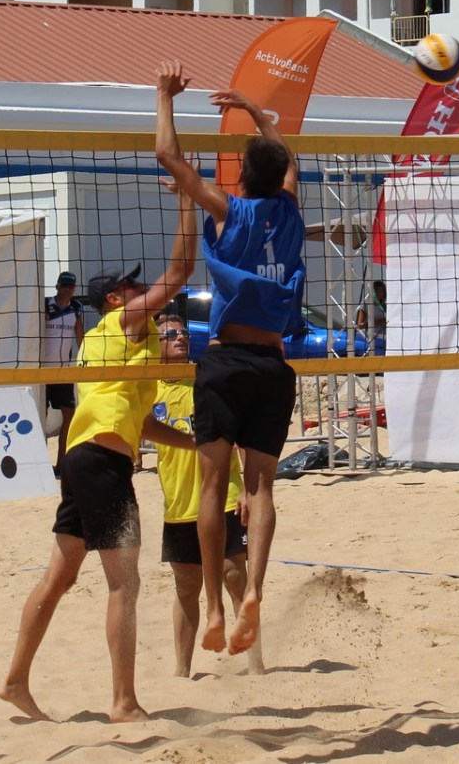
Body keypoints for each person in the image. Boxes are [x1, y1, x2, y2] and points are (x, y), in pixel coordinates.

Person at [0, 176, 199, 723]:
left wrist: (191, 441)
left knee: (59, 577)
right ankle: (124, 703)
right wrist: (188, 197)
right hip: (102, 466)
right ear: (115, 299)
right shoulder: (124, 323)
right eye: (132, 286)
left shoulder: (116, 344)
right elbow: (181, 271)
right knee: (124, 584)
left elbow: (142, 422)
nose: (142, 290)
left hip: (84, 460)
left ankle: (15, 681)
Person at [154, 59, 306, 657]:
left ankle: (216, 608)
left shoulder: (228, 210)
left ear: (241, 174)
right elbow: (286, 157)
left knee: (212, 488)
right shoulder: (289, 210)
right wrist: (254, 111)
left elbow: (168, 156)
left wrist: (165, 96)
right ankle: (254, 592)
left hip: (225, 364)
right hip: (272, 365)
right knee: (262, 489)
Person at [152, 313, 265, 677]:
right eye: (171, 334)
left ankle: (256, 666)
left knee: (234, 576)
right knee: (187, 586)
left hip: (223, 495)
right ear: (155, 344)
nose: (180, 337)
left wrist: (248, 488)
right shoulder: (147, 388)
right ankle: (181, 672)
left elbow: (243, 434)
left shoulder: (206, 378)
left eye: (183, 332)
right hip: (179, 502)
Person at [41, 271, 84, 477]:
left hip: (63, 370)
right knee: (41, 415)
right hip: (42, 370)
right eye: (64, 285)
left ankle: (61, 464)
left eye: (70, 286)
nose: (67, 289)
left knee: (69, 415)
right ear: (57, 286)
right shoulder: (45, 304)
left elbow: (79, 334)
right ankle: (41, 464)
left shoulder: (76, 307)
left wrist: (85, 358)